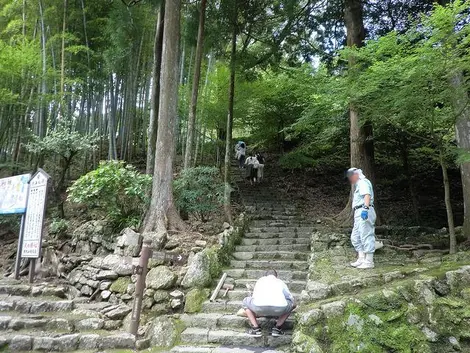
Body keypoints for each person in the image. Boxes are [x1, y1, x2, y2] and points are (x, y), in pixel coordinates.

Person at [242, 269, 295, 337]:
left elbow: (254, 297)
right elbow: (290, 297)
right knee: (292, 304)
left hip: (259, 307)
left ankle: (256, 328)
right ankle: (277, 328)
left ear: (265, 275)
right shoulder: (280, 282)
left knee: (245, 302)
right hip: (279, 309)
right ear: (276, 276)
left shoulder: (260, 281)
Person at [347, 167, 377, 269]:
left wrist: (365, 209)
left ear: (356, 175)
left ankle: (369, 261)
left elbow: (367, 195)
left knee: (366, 235)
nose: (350, 179)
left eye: (351, 176)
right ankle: (361, 258)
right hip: (358, 211)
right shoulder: (358, 185)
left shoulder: (363, 182)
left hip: (364, 210)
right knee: (355, 236)